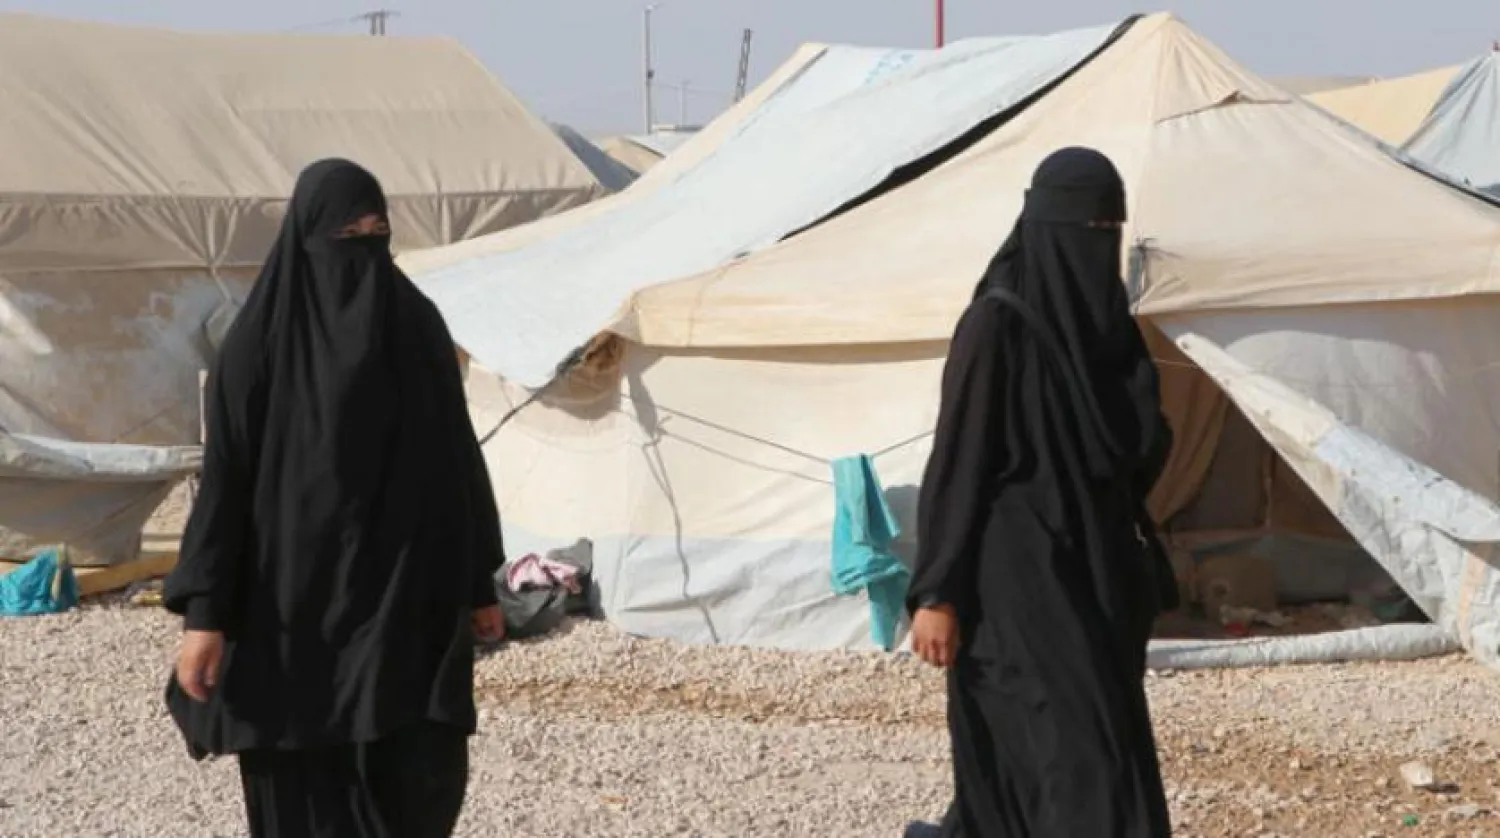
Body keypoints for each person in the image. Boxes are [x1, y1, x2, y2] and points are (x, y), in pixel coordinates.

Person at [162, 158, 506, 838]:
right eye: (347, 232)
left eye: (377, 231)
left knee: (419, 774)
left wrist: (478, 584)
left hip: (407, 595)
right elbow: (226, 485)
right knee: (302, 782)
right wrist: (205, 618)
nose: (364, 250)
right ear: (307, 236)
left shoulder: (414, 326)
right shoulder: (257, 349)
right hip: (291, 607)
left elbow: (458, 464)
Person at [908, 147, 1175, 837]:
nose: (1098, 248)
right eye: (1085, 231)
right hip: (1014, 580)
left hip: (1096, 568)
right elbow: (960, 461)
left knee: (1092, 746)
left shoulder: (1107, 328)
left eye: (1107, 232)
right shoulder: (996, 325)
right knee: (1076, 756)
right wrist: (937, 591)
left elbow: (1140, 443)